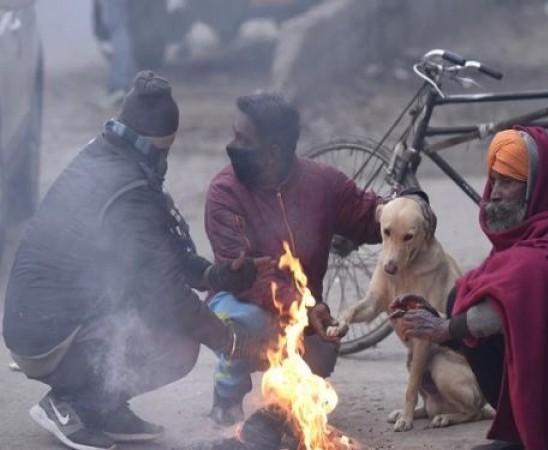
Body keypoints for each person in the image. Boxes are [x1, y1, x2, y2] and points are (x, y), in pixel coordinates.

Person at [3, 71, 267, 450]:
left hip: (44, 321)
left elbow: (163, 254)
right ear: (157, 146)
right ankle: (72, 402)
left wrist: (216, 274)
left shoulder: (111, 155)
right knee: (178, 345)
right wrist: (231, 342)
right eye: (165, 150)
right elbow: (169, 293)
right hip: (48, 335)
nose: (165, 160)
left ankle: (103, 406)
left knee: (153, 309)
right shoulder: (129, 188)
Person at [390, 126, 548, 450]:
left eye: (508, 182)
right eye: (494, 180)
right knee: (463, 295)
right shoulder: (528, 234)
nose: (495, 192)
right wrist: (443, 318)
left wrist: (446, 328)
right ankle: (526, 430)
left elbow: (510, 304)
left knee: (471, 308)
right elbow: (495, 299)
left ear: (537, 189)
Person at [204, 92, 383, 425]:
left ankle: (283, 403)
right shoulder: (224, 192)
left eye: (242, 139)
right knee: (250, 322)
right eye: (234, 134)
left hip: (303, 310)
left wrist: (406, 207)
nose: (232, 145)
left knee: (321, 355)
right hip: (238, 301)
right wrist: (304, 308)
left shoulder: (323, 183)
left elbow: (369, 214)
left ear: (272, 153)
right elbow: (245, 278)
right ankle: (226, 392)